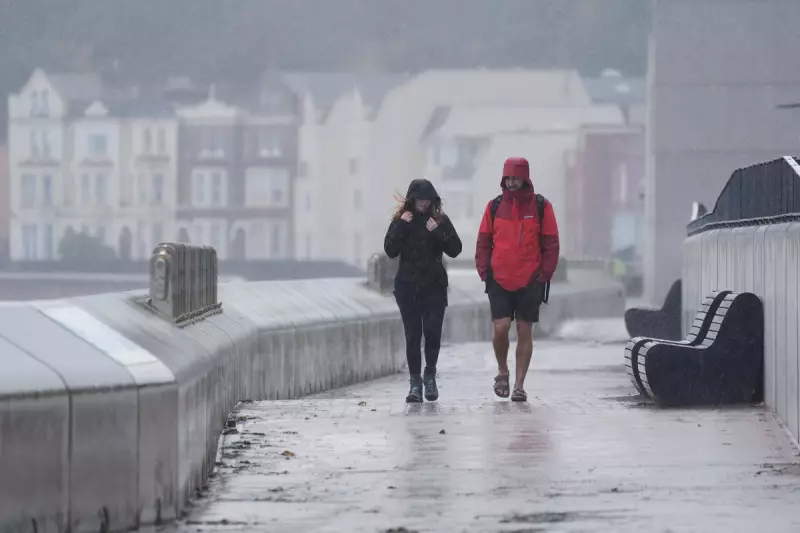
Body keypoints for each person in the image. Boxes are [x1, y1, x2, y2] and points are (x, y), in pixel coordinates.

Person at [475, 157, 560, 402]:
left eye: (516, 178)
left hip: (530, 279)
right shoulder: (494, 206)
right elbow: (483, 241)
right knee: (500, 328)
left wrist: (544, 274)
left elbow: (551, 244)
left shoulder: (542, 207)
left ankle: (520, 385)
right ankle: (503, 372)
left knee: (525, 330)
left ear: (525, 178)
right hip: (498, 279)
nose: (512, 183)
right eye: (508, 178)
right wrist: (485, 272)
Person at [384, 179, 463, 403]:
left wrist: (438, 232)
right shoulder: (401, 221)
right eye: (420, 200)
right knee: (412, 335)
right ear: (412, 200)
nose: (424, 204)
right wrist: (400, 225)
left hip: (434, 287)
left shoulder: (440, 221)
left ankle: (430, 376)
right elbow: (390, 250)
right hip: (408, 287)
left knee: (432, 332)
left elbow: (456, 249)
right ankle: (415, 383)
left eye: (427, 200)